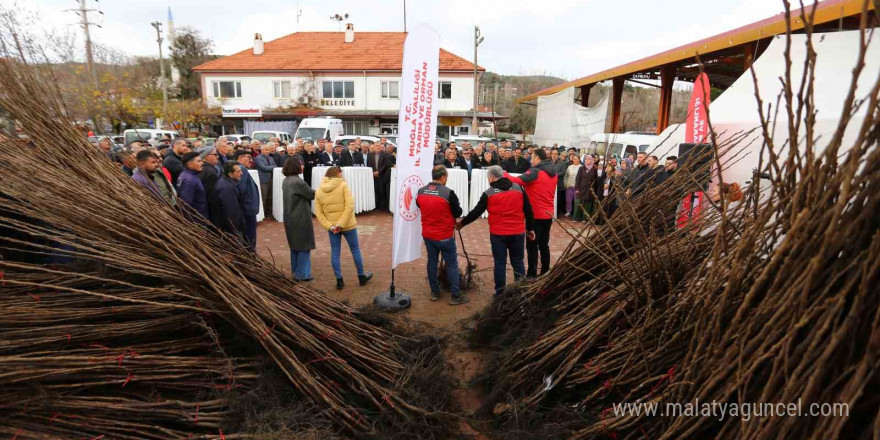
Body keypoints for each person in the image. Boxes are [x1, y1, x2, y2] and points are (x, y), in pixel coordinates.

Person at [458, 165, 534, 296]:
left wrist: (462, 223)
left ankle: (500, 293)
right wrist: (530, 228)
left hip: (498, 234)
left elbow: (477, 212)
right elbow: (528, 210)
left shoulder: (488, 193)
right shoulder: (519, 189)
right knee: (518, 261)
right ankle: (519, 291)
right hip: (517, 232)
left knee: (500, 262)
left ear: (491, 177)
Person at [314, 166, 373, 290]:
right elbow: (350, 205)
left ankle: (339, 280)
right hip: (348, 225)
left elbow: (318, 213)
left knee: (335, 252)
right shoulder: (343, 185)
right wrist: (341, 224)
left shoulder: (319, 190)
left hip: (332, 227)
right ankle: (361, 276)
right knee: (355, 250)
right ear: (339, 173)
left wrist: (331, 226)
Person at [416, 165, 467, 304]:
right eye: (447, 177)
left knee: (432, 261)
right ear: (443, 177)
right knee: (451, 263)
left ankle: (434, 292)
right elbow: (457, 212)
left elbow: (419, 205)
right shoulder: (448, 193)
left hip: (428, 234)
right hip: (445, 235)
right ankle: (455, 296)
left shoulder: (421, 191)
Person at [506, 149, 557, 278]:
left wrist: (504, 174)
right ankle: (545, 271)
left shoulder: (535, 172)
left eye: (532, 158)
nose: (530, 160)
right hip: (548, 214)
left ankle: (532, 273)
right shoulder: (553, 172)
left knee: (532, 245)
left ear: (538, 159)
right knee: (544, 244)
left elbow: (517, 181)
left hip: (535, 215)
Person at [281, 157, 316, 282]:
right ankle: (303, 274)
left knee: (295, 246)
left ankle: (296, 272)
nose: (303, 166)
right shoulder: (298, 182)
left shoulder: (286, 180)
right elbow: (312, 194)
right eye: (300, 164)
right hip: (300, 217)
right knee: (304, 246)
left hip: (290, 217)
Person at [233, 150, 261, 252]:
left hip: (246, 208)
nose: (250, 160)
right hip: (247, 209)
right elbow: (241, 189)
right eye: (248, 157)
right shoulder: (242, 169)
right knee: (250, 236)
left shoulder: (239, 168)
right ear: (240, 158)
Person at [212, 161, 246, 240]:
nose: (241, 173)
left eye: (240, 170)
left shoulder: (227, 183)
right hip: (232, 228)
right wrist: (236, 228)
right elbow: (231, 210)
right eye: (238, 171)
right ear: (230, 174)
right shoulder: (226, 188)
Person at [177, 152, 209, 221]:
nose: (202, 163)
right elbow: (186, 204)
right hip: (196, 219)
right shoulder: (190, 181)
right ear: (190, 165)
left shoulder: (185, 175)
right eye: (198, 161)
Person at [367, 143, 392, 211]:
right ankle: (375, 206)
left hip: (382, 175)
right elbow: (368, 164)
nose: (378, 147)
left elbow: (385, 165)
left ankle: (382, 207)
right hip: (373, 175)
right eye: (376, 146)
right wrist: (373, 172)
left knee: (382, 191)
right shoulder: (370, 155)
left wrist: (379, 172)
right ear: (374, 147)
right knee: (375, 190)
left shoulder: (384, 155)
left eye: (379, 146)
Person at [254, 144, 276, 220]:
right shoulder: (258, 158)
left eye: (268, 150)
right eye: (266, 150)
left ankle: (269, 213)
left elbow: (275, 166)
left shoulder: (270, 158)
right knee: (264, 198)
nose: (268, 151)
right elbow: (264, 168)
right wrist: (272, 167)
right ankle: (262, 214)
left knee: (270, 197)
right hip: (263, 181)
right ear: (261, 150)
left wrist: (271, 167)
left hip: (271, 180)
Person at [574, 155, 599, 222]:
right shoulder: (581, 168)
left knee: (587, 204)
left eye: (589, 159)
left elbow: (596, 180)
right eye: (586, 159)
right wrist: (577, 188)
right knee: (579, 203)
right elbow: (578, 179)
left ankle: (584, 218)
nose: (587, 161)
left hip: (590, 189)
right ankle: (576, 217)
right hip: (581, 188)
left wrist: (595, 190)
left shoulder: (594, 169)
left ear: (591, 160)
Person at [550, 148, 568, 217]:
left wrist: (554, 175)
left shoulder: (562, 163)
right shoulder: (549, 162)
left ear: (558, 155)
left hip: (559, 185)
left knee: (558, 201)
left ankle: (556, 214)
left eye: (555, 154)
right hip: (550, 185)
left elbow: (563, 172)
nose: (554, 155)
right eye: (553, 154)